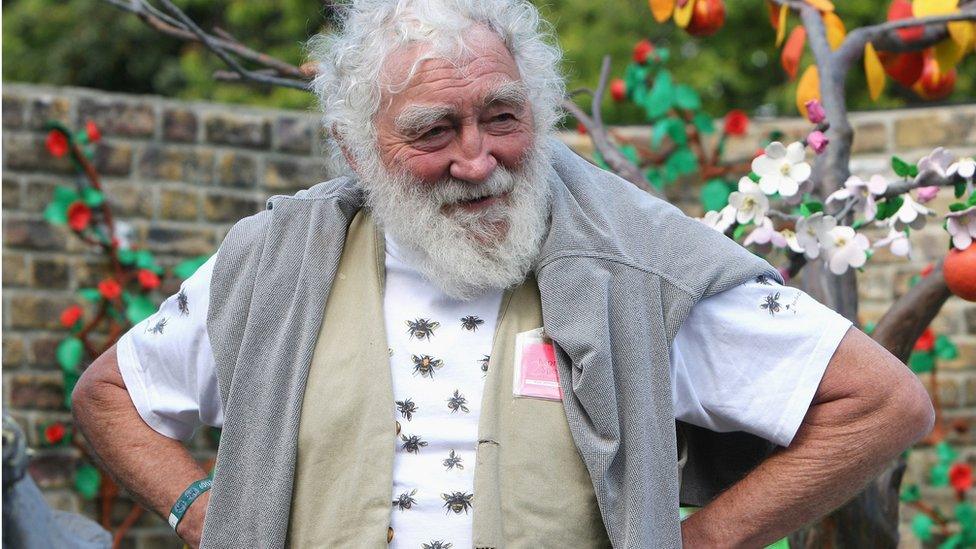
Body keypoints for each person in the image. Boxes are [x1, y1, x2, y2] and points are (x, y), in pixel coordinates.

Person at [72, 1, 934, 548]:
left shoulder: (634, 255)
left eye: (502, 116)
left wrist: (702, 541)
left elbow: (882, 401)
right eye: (433, 130)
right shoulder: (278, 260)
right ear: (354, 147)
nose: (478, 159)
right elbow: (109, 395)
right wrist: (200, 507)